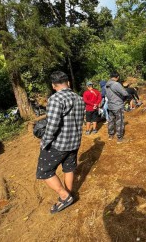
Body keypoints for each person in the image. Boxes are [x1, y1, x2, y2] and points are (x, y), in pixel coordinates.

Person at [36, 71, 85, 214]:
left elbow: (52, 125)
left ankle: (64, 196)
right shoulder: (79, 98)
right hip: (75, 141)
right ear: (68, 83)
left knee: (44, 171)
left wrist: (44, 142)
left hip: (59, 144)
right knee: (69, 168)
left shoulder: (55, 99)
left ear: (53, 85)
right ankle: (69, 193)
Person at [105, 71, 130, 143]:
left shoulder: (107, 84)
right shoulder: (116, 84)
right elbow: (125, 93)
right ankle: (120, 138)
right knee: (120, 121)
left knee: (111, 121)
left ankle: (110, 135)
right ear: (118, 77)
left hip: (110, 105)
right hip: (117, 105)